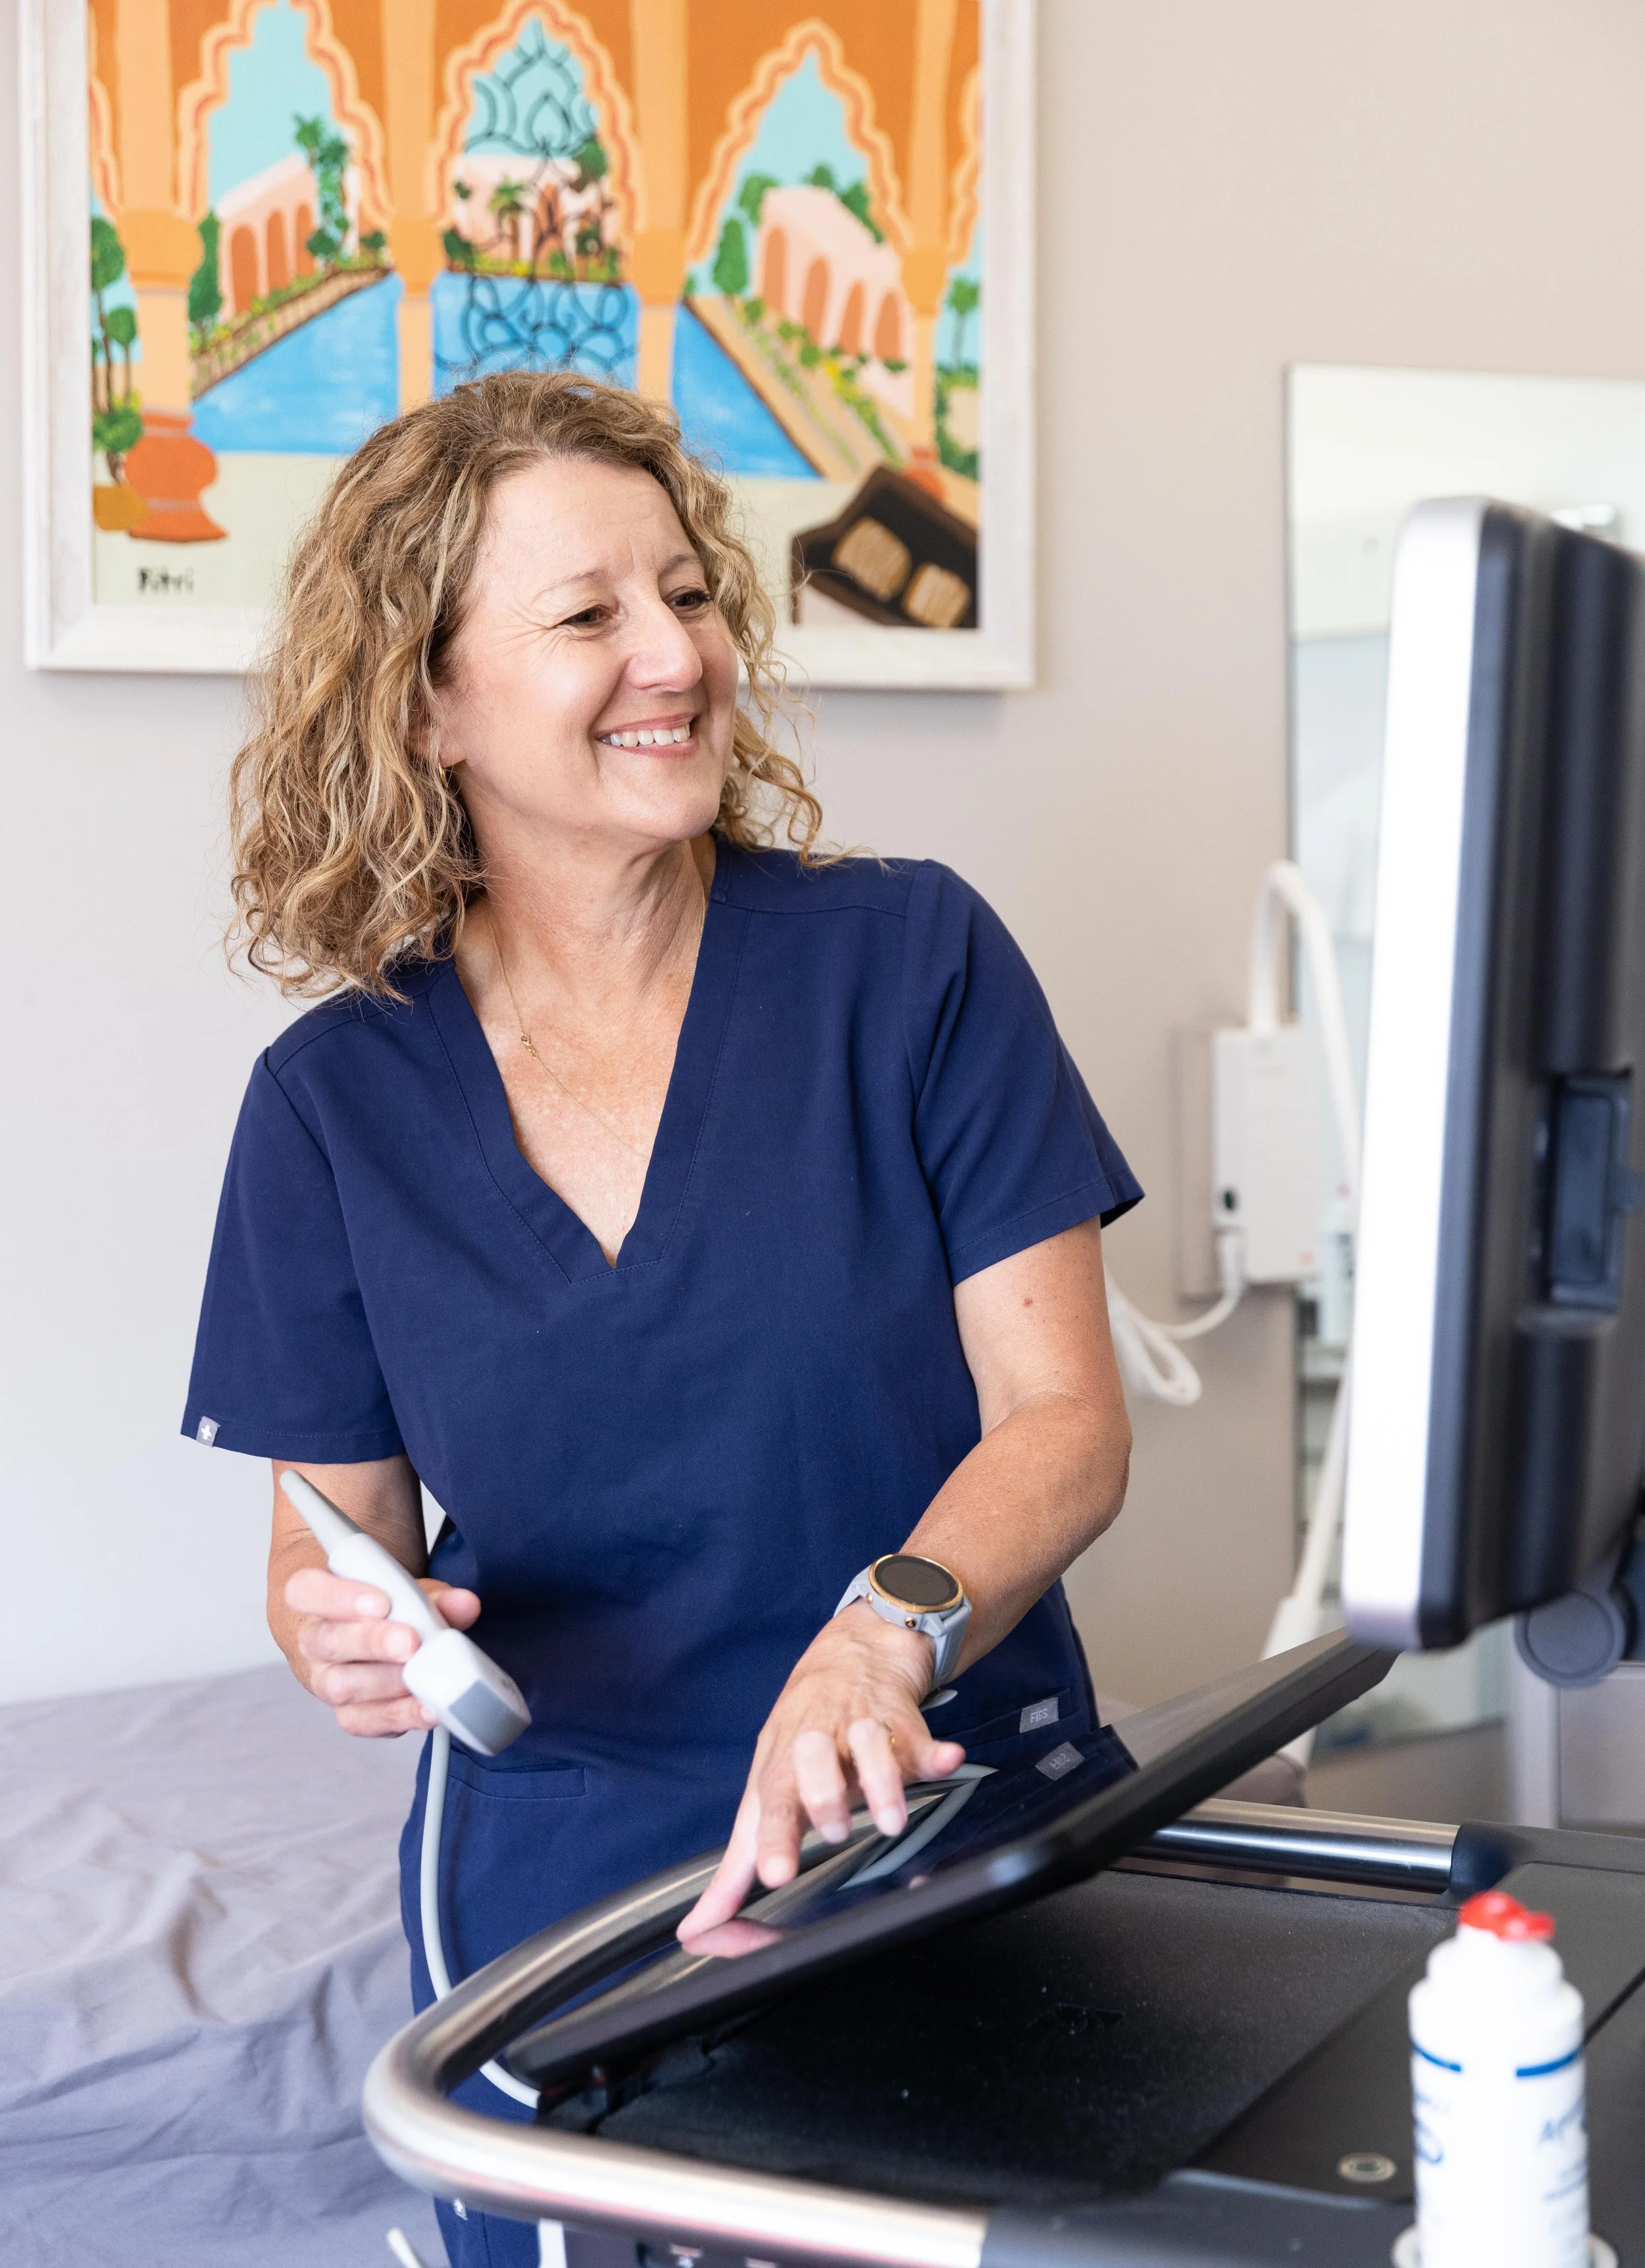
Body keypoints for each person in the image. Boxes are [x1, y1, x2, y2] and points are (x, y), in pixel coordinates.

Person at [184, 372, 1138, 2268]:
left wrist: (887, 1633)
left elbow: (1065, 1423)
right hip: (571, 1889)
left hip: (942, 1806)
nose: (674, 654)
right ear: (430, 698)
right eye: (588, 613)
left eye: (688, 593)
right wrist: (337, 1633)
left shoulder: (909, 961)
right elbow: (334, 1559)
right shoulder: (333, 1103)